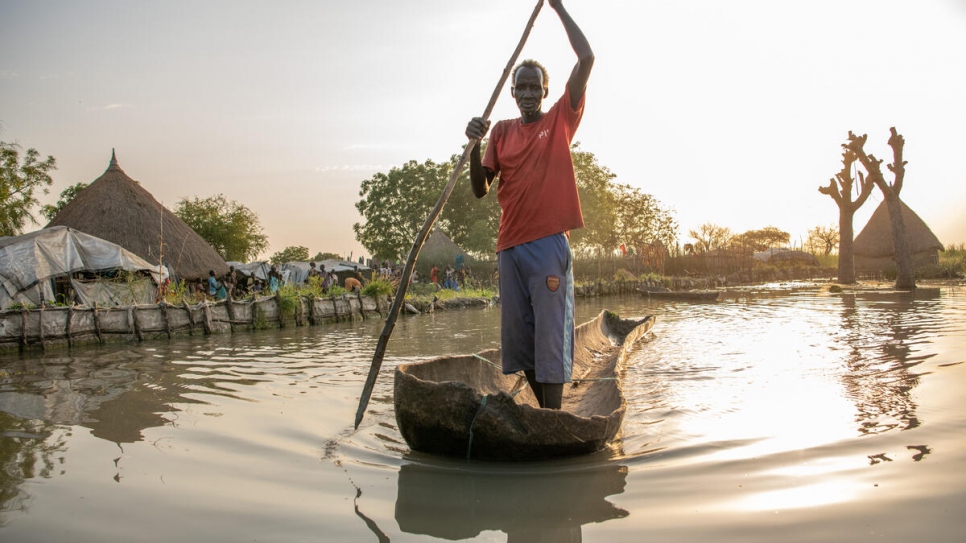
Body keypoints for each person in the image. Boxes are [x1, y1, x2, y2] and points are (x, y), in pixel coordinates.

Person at [465, 0, 593, 410]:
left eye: (534, 87)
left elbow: (587, 57)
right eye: (520, 87)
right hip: (509, 248)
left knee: (550, 335)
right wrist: (474, 145)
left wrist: (557, 7)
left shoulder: (559, 121)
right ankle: (546, 414)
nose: (526, 94)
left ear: (546, 91)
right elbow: (480, 189)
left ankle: (552, 419)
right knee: (520, 342)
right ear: (512, 91)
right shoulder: (500, 132)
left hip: (547, 245)